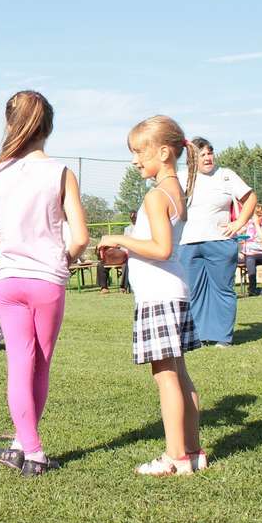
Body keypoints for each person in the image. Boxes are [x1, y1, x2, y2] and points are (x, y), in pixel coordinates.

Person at [0, 90, 88, 477]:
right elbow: (80, 237)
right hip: (47, 280)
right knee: (40, 365)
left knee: (19, 365)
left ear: (10, 124)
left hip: (9, 280)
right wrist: (62, 259)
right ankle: (34, 452)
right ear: (49, 127)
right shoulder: (61, 173)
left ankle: (23, 445)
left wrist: (10, 256)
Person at [98, 115, 205, 476]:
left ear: (163, 152)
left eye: (139, 152)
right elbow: (159, 247)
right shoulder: (176, 193)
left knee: (165, 377)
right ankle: (193, 452)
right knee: (180, 373)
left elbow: (160, 248)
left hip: (159, 296)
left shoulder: (156, 196)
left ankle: (175, 457)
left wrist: (119, 238)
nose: (134, 160)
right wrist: (126, 252)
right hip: (173, 291)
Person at [179, 138, 258, 347]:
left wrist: (239, 223)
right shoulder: (181, 177)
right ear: (192, 159)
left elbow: (251, 198)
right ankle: (198, 336)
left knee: (222, 289)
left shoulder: (226, 175)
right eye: (202, 154)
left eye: (210, 153)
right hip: (187, 243)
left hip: (220, 242)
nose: (208, 158)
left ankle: (222, 337)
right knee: (192, 291)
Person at [97, 212, 136, 294]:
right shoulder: (127, 229)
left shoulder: (143, 228)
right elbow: (124, 242)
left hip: (135, 252)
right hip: (124, 251)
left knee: (126, 264)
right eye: (131, 217)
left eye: (134, 217)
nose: (133, 219)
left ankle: (123, 287)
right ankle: (104, 287)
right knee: (101, 264)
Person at [240, 205, 262, 296]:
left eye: (260, 215)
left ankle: (252, 288)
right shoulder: (248, 224)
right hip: (245, 253)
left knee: (250, 259)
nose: (258, 218)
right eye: (256, 215)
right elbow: (239, 235)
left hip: (261, 254)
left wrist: (256, 225)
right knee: (227, 258)